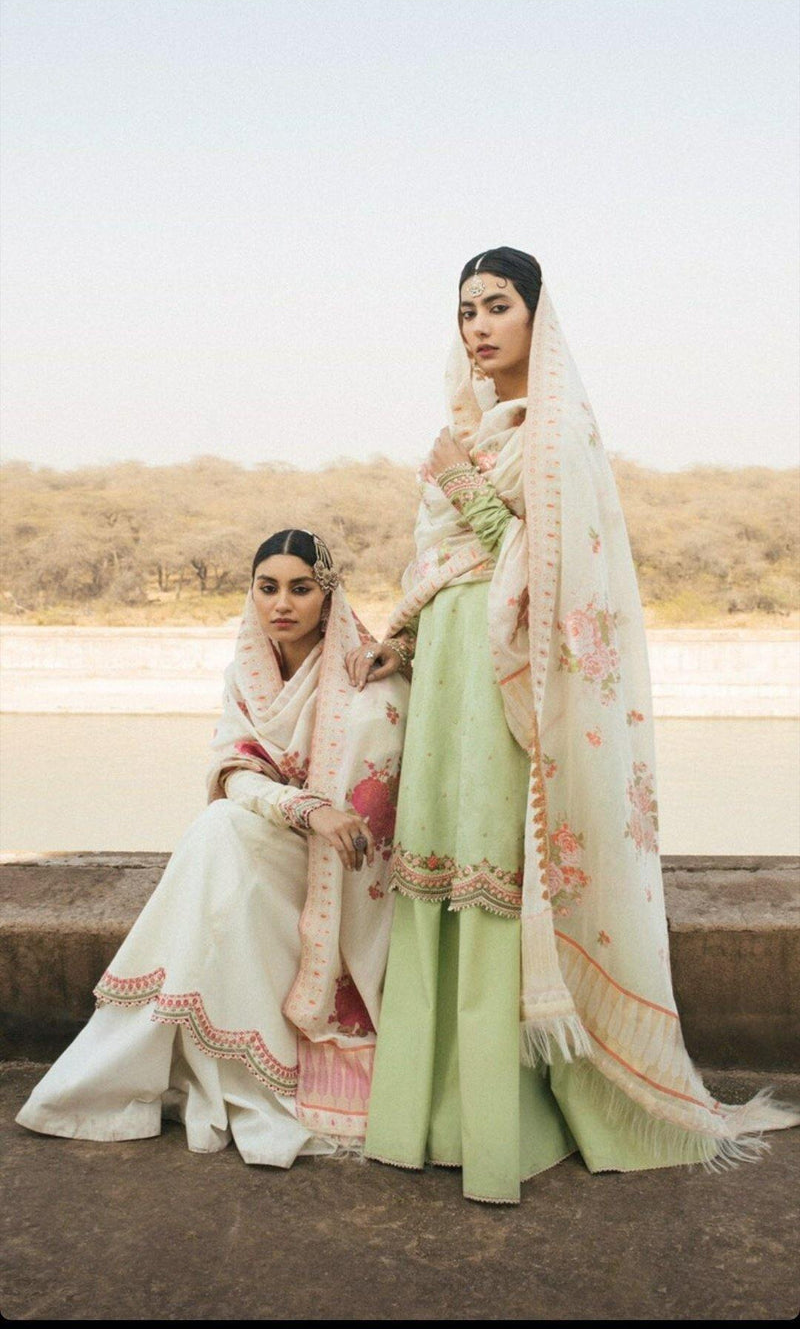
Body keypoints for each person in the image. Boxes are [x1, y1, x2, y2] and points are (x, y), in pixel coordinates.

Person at [347, 247, 799, 1204]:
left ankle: (503, 1124)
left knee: (490, 865)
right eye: (466, 310)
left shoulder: (556, 435)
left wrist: (464, 484)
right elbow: (441, 568)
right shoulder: (466, 430)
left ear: (537, 317)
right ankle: (421, 1117)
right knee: (436, 864)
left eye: (497, 306)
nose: (478, 326)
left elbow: (554, 569)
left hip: (514, 689)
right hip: (449, 675)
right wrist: (404, 644)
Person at [17, 529, 409, 1165]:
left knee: (218, 838)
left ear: (328, 597)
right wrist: (303, 807)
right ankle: (173, 1060)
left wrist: (316, 814)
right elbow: (233, 770)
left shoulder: (366, 677)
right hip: (286, 833)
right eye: (267, 587)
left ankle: (137, 1058)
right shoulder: (246, 673)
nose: (282, 603)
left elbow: (372, 805)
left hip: (346, 869)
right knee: (218, 830)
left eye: (301, 589)